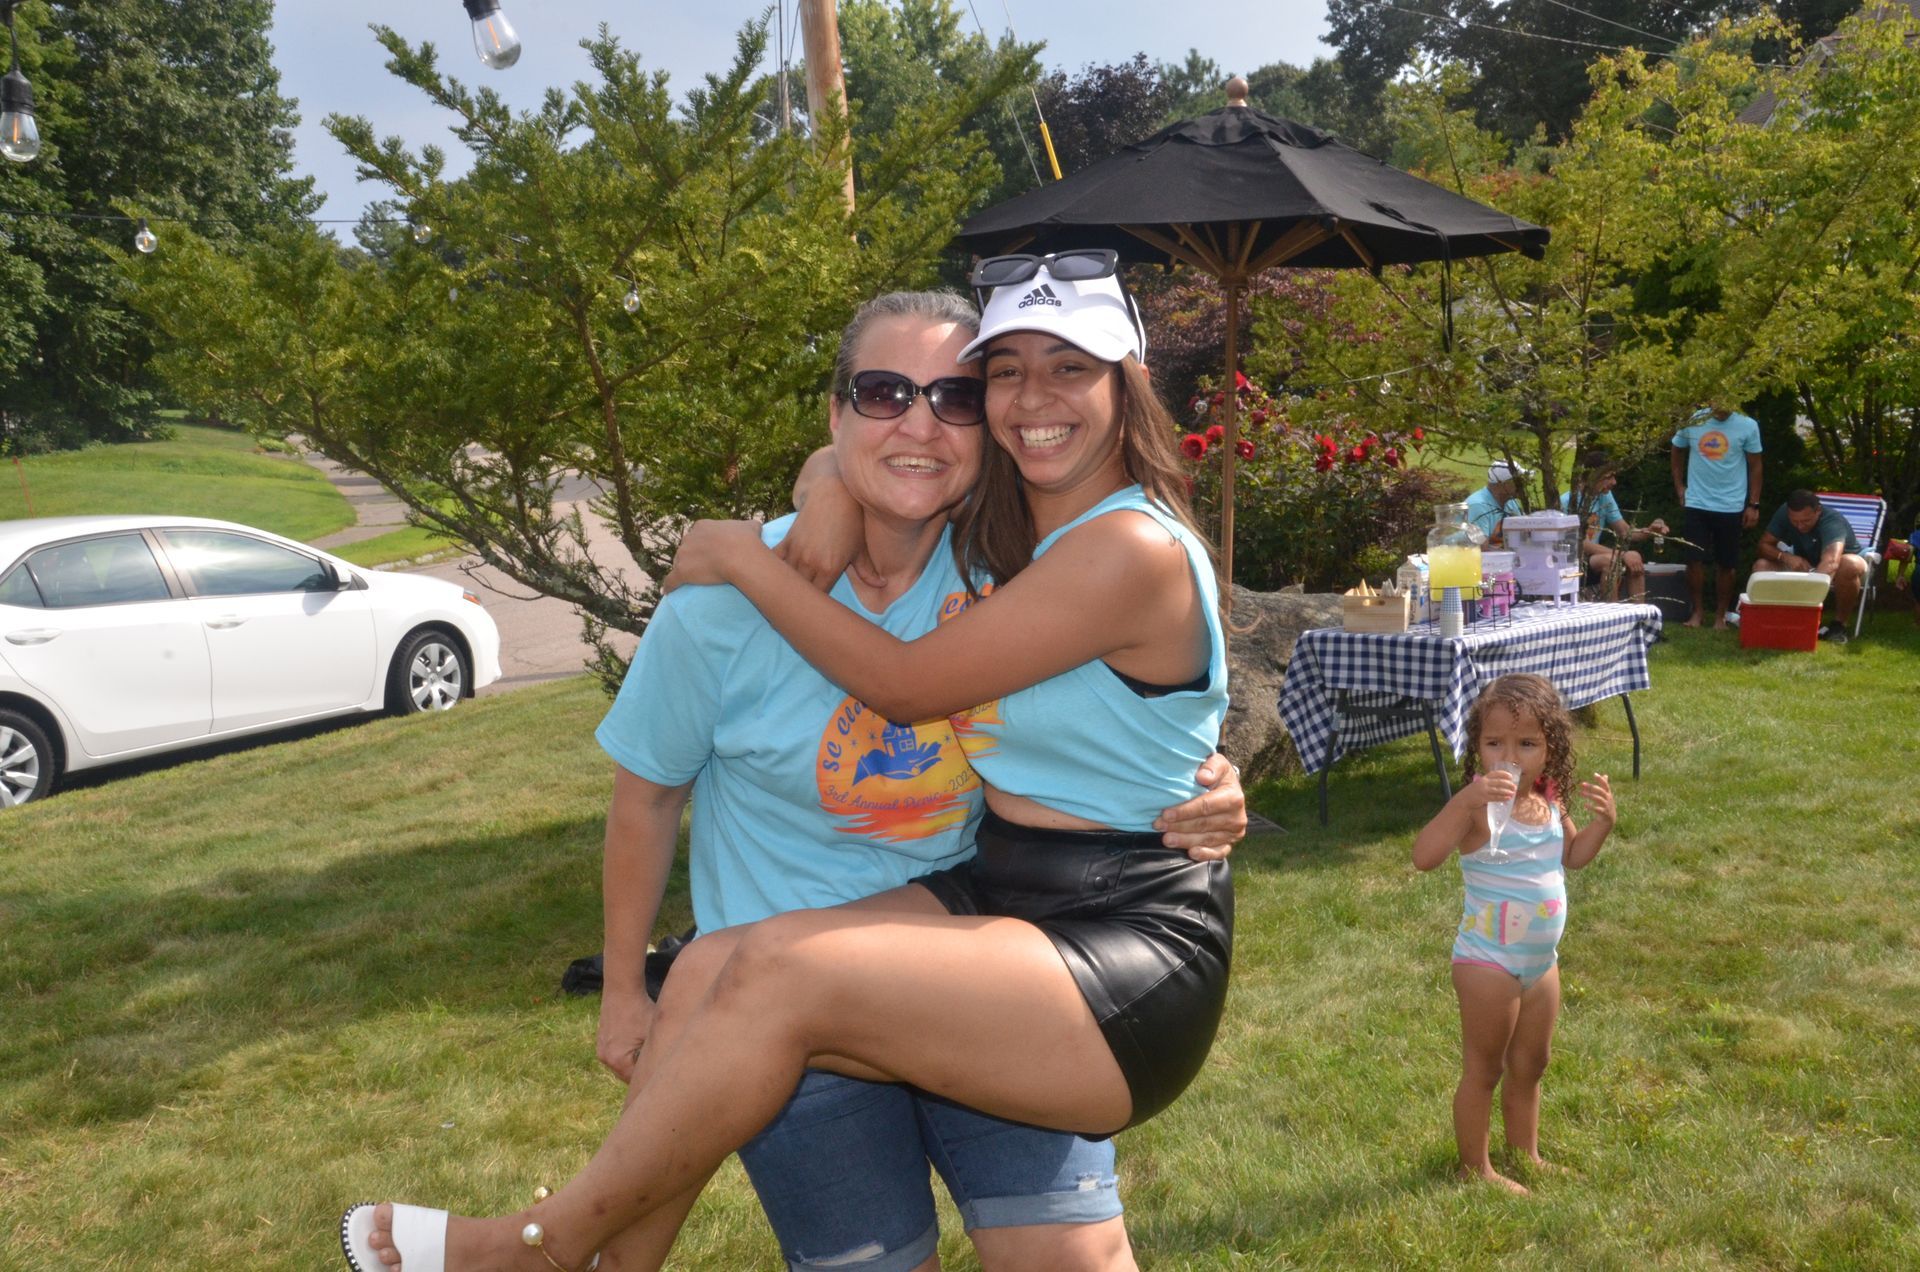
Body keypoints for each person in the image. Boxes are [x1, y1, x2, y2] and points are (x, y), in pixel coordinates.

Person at [342, 253, 1234, 1272]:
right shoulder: (1009, 535)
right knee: (721, 961)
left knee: (773, 970)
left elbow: (906, 685)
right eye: (1006, 373)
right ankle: (603, 1262)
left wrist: (735, 557)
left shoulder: (1108, 548)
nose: (1026, 401)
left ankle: (540, 1245)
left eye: (1067, 368)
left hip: (1112, 936)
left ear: (1129, 383)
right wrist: (821, 494)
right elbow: (651, 787)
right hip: (995, 900)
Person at [1412, 674, 1615, 1197]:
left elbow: (1572, 857)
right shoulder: (1478, 808)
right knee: (1484, 1069)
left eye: (1527, 744)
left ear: (1551, 750)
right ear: (1477, 747)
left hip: (1540, 962)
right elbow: (1424, 856)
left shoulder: (1550, 799)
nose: (1511, 756)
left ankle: (1525, 1152)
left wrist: (1601, 826)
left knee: (1531, 1063)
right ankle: (1474, 1168)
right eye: (1494, 742)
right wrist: (1464, 801)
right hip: (1488, 963)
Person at [1670, 404, 1763, 629]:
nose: (1722, 411)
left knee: (1727, 563)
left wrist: (1753, 504)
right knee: (1694, 560)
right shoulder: (1693, 421)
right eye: (1717, 405)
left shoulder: (1748, 425)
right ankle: (1698, 613)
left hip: (1731, 505)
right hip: (1697, 503)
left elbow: (1756, 465)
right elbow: (1676, 450)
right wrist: (1680, 486)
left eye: (1727, 405)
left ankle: (1720, 616)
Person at [1751, 489, 1868, 645]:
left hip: (1842, 566)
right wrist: (1785, 556)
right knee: (1761, 566)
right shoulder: (1784, 511)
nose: (1799, 526)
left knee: (1849, 564)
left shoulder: (1832, 520)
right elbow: (1763, 545)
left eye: (1806, 521)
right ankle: (1772, 621)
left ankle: (1839, 625)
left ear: (1818, 511)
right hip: (1807, 563)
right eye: (1794, 521)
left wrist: (1808, 595)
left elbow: (1831, 561)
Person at [1561, 451, 1669, 603]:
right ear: (1592, 476)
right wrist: (1622, 554)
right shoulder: (1569, 501)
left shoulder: (1604, 496)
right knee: (1611, 562)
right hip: (1571, 562)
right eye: (1608, 477)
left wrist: (1649, 531)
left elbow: (1625, 531)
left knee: (1635, 557)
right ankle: (1613, 618)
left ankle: (1638, 620)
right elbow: (1580, 544)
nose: (1614, 482)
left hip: (1591, 561)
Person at [1465, 461, 1527, 543]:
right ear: (1503, 484)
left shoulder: (1511, 501)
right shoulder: (1478, 506)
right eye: (1518, 481)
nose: (1524, 484)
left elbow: (1523, 536)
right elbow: (1480, 547)